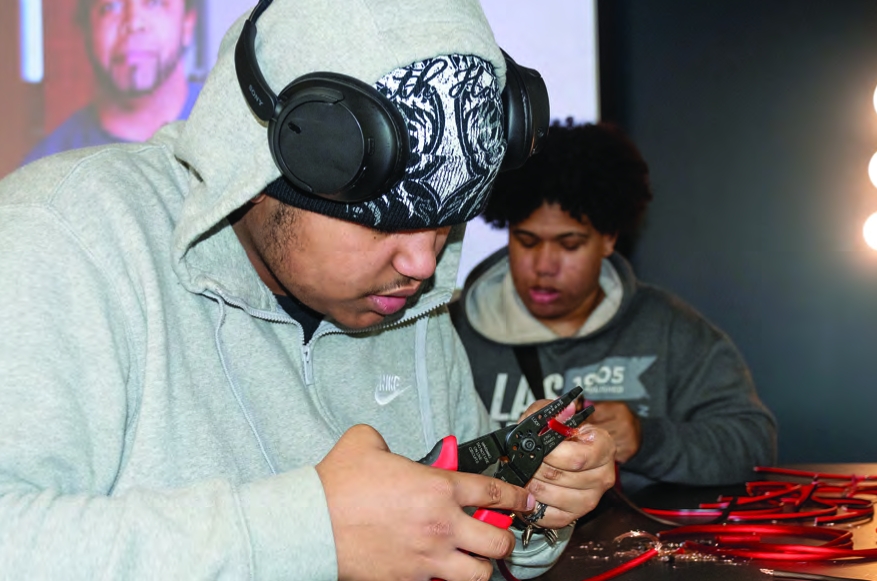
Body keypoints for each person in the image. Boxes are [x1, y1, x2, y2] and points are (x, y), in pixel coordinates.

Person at [0, 1, 616, 579]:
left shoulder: (404, 298)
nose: (423, 263)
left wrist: (531, 505)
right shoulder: (65, 236)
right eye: (386, 223)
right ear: (262, 171)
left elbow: (464, 540)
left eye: (446, 223)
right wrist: (310, 532)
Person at [451, 121, 777, 493]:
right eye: (526, 241)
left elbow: (753, 445)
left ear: (608, 239)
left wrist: (646, 440)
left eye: (569, 244)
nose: (543, 266)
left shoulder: (669, 331)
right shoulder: (450, 333)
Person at [22, 0, 201, 164]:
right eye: (110, 6)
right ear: (87, 30)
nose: (133, 23)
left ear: (187, 24)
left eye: (155, 3)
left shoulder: (218, 123)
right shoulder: (46, 170)